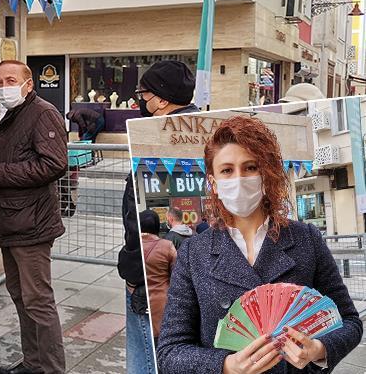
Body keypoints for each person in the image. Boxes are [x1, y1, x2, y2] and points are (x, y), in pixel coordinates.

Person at [157, 116, 363, 373]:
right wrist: (225, 366)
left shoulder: (306, 238)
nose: (239, 178)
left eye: (251, 167)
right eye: (227, 170)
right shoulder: (193, 253)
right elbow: (169, 351)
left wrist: (319, 349)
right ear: (213, 182)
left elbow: (350, 321)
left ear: (266, 174)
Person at [0, 60, 68, 374]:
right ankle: (33, 364)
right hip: (11, 222)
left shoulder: (42, 113)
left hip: (31, 225)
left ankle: (52, 369)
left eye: (11, 79)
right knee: (21, 298)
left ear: (28, 83)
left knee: (38, 302)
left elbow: (54, 164)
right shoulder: (16, 114)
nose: (4, 86)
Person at [118, 59, 199, 373]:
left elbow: (137, 214)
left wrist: (135, 273)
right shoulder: (204, 135)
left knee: (149, 358)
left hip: (150, 278)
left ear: (162, 99)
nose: (140, 100)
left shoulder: (157, 140)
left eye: (143, 93)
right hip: (191, 275)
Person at [140, 210, 176, 347]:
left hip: (140, 300)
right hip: (162, 302)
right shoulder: (167, 246)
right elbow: (176, 275)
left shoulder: (135, 245)